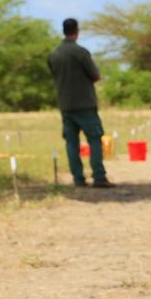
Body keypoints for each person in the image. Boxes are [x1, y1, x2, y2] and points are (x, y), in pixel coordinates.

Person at [46, 18, 112, 188]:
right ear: (77, 31)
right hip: (85, 104)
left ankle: (78, 178)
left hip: (65, 105)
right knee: (95, 139)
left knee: (71, 142)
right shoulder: (81, 52)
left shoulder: (54, 54)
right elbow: (95, 75)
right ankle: (99, 176)